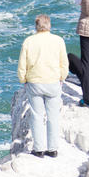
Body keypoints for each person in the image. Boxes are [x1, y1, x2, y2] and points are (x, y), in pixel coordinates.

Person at [18, 14, 69, 158]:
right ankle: (52, 149)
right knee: (53, 116)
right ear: (49, 25)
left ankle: (39, 149)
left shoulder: (28, 41)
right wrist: (62, 77)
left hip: (34, 82)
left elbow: (22, 64)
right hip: (53, 82)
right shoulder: (58, 40)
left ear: (36, 26)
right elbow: (64, 63)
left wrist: (23, 80)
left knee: (37, 115)